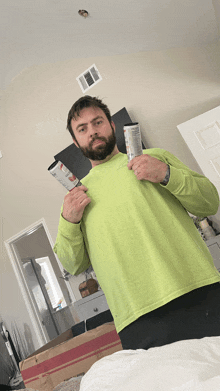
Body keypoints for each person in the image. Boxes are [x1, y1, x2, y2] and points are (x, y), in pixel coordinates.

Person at [53, 95, 220, 350]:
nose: (93, 132)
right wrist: (68, 221)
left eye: (98, 122)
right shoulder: (76, 197)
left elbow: (209, 203)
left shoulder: (156, 157)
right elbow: (73, 265)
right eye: (83, 129)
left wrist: (166, 174)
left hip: (197, 290)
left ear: (111, 124)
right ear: (76, 142)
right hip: (136, 317)